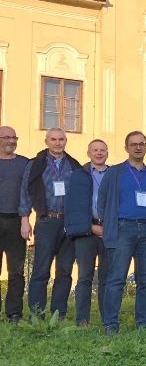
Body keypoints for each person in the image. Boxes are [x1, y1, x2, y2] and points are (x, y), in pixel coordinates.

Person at [98, 131, 146, 334]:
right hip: (123, 229)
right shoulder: (115, 173)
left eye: (142, 144)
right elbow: (102, 201)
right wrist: (108, 224)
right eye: (133, 144)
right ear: (126, 148)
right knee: (116, 278)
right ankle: (111, 323)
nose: (138, 147)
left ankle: (143, 322)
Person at [20, 127, 81, 319]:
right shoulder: (36, 164)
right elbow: (25, 192)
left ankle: (58, 314)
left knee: (64, 271)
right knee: (41, 270)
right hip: (46, 221)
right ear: (46, 141)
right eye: (53, 139)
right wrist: (24, 220)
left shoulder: (73, 165)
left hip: (69, 224)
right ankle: (36, 315)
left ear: (65, 141)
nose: (57, 143)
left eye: (61, 139)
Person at [64, 139, 110, 326]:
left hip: (109, 231)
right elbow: (73, 206)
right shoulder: (78, 175)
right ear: (89, 153)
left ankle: (108, 318)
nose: (99, 153)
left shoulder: (114, 174)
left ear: (107, 153)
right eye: (95, 150)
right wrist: (89, 227)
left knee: (107, 277)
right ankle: (82, 319)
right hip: (86, 231)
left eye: (102, 150)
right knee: (84, 276)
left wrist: (110, 228)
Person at [0, 126, 28, 323]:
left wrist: (25, 220)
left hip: (16, 222)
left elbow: (28, 194)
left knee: (16, 270)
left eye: (14, 137)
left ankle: (14, 313)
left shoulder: (24, 164)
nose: (11, 141)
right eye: (6, 137)